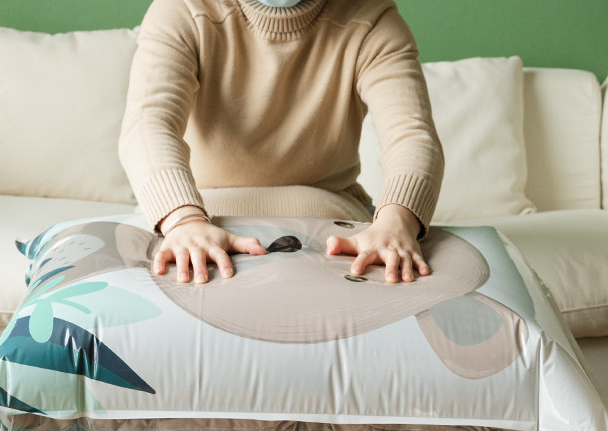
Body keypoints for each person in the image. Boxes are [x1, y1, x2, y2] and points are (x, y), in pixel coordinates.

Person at [119, 0, 444, 284]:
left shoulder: (373, 20)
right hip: (187, 222)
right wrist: (183, 218)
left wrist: (397, 220)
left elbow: (411, 136)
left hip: (334, 225)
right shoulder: (182, 9)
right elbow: (148, 125)